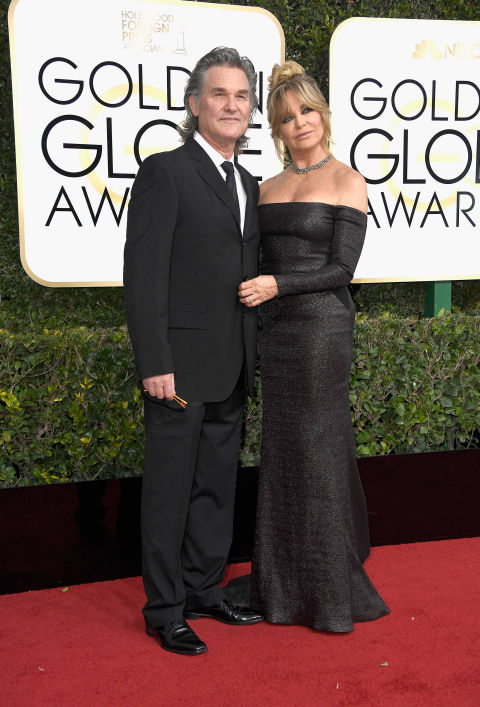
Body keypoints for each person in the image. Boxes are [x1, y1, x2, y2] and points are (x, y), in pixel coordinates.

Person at [237, 61, 389, 632]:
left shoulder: (348, 180)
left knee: (317, 443)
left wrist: (278, 284)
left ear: (322, 115)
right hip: (275, 332)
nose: (299, 122)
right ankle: (279, 583)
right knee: (283, 448)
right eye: (286, 117)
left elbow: (341, 271)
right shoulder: (265, 188)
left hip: (322, 328)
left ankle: (327, 588)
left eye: (306, 111)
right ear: (276, 129)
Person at [123, 47, 264, 656]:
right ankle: (164, 609)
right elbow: (143, 273)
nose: (232, 105)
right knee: (168, 491)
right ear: (193, 104)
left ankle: (205, 589)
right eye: (219, 94)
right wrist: (154, 361)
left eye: (242, 96)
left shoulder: (249, 182)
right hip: (177, 368)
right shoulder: (166, 171)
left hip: (233, 364)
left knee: (215, 486)